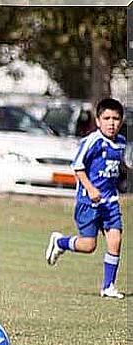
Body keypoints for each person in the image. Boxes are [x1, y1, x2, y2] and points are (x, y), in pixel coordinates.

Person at [46, 98, 126, 299]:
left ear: (121, 121)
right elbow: (77, 166)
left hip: (110, 203)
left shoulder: (121, 143)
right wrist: (90, 188)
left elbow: (118, 168)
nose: (111, 123)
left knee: (115, 241)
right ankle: (60, 242)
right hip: (88, 203)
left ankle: (108, 286)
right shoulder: (92, 141)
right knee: (89, 245)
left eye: (116, 119)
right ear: (98, 121)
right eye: (106, 118)